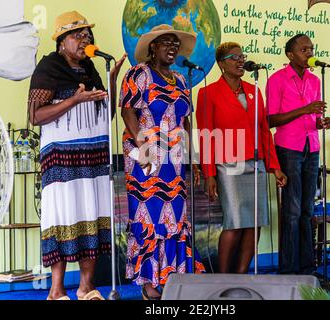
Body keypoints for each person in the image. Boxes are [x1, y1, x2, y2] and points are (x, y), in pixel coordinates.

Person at [28, 11, 126, 300]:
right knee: (63, 217)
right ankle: (56, 292)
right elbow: (35, 115)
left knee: (91, 217)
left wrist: (112, 81)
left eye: (87, 35)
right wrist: (74, 100)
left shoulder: (92, 69)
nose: (85, 40)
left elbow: (103, 117)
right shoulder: (48, 68)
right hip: (61, 161)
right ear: (61, 41)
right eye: (78, 35)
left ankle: (86, 287)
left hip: (93, 159)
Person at [119, 24, 205, 300]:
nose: (172, 48)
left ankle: (170, 277)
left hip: (174, 160)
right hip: (146, 158)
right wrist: (144, 150)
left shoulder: (180, 79)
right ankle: (149, 283)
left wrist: (196, 158)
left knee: (174, 219)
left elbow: (186, 118)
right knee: (149, 217)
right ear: (152, 47)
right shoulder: (139, 74)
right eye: (166, 43)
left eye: (175, 44)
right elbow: (128, 112)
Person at [196, 42, 287, 274]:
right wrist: (209, 174)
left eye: (242, 56)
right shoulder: (208, 93)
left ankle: (242, 274)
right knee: (235, 224)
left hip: (255, 163)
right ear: (221, 64)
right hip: (228, 167)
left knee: (255, 223)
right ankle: (224, 277)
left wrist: (274, 167)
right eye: (234, 57)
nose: (240, 61)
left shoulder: (253, 90)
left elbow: (264, 131)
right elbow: (206, 136)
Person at [265, 34, 330, 275]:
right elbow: (271, 119)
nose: (310, 53)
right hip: (288, 148)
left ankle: (308, 267)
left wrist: (322, 122)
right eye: (304, 49)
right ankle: (288, 270)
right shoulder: (277, 80)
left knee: (307, 211)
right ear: (290, 54)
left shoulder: (315, 81)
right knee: (292, 212)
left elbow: (313, 119)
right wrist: (305, 109)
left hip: (311, 147)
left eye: (312, 49)